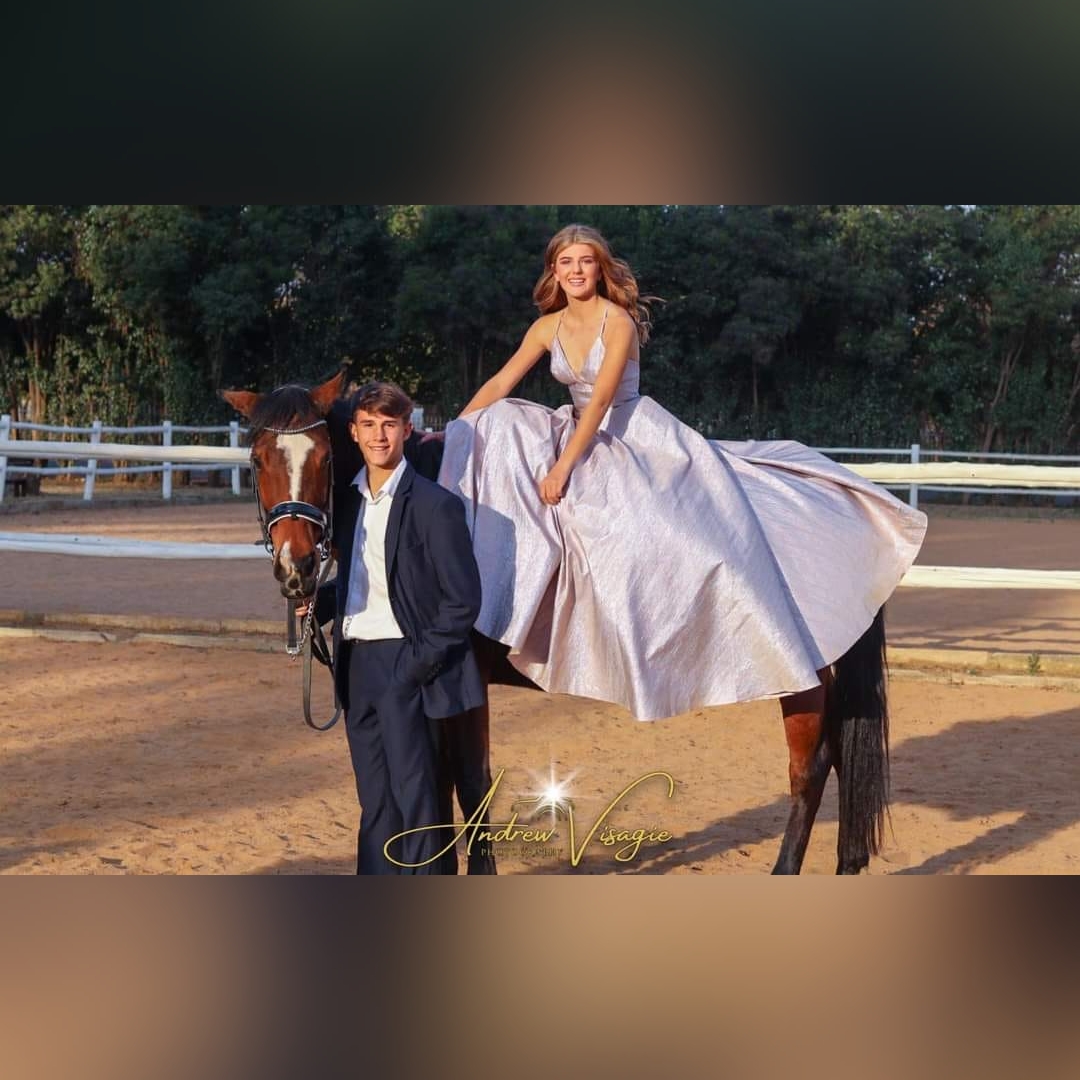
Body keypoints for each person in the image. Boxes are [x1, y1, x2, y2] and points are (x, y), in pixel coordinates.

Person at [436, 224, 928, 722]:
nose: (576, 271)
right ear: (554, 271)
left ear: (600, 269)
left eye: (585, 261)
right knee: (501, 421)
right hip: (577, 427)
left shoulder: (618, 322)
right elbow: (500, 382)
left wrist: (563, 467)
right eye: (566, 263)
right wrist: (455, 430)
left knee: (669, 532)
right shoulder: (547, 327)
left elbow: (602, 401)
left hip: (626, 431)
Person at [310, 381, 486, 873]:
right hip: (357, 666)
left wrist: (413, 666)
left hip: (408, 665)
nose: (379, 436)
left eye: (389, 425)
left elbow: (462, 601)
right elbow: (365, 579)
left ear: (408, 430)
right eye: (368, 425)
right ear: (353, 432)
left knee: (419, 802)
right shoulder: (348, 505)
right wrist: (318, 605)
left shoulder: (436, 505)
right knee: (376, 803)